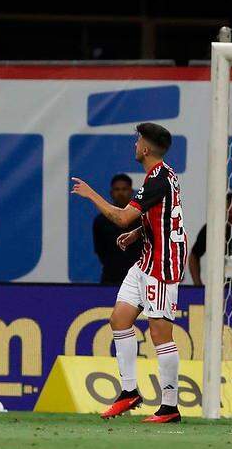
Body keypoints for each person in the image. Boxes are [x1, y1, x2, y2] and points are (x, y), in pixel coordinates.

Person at [71, 123, 188, 424]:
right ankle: (129, 391)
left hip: (162, 263)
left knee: (160, 333)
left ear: (146, 148)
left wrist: (91, 195)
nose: (135, 145)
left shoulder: (157, 179)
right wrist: (138, 233)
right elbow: (163, 216)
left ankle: (170, 406)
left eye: (138, 141)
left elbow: (121, 217)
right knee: (119, 319)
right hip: (147, 258)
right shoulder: (162, 176)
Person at [93, 174, 143, 285]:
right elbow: (101, 251)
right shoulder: (101, 221)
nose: (120, 193)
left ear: (131, 192)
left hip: (139, 278)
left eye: (124, 189)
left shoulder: (143, 219)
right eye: (117, 189)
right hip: (111, 278)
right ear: (111, 193)